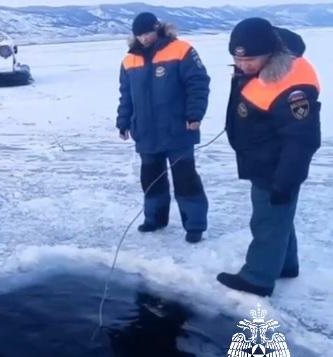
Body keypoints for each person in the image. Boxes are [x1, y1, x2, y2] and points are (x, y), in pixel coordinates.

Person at [217, 18, 321, 297]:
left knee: (267, 221)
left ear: (270, 52)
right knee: (279, 218)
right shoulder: (259, 68)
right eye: (238, 59)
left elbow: (302, 140)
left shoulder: (293, 86)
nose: (243, 65)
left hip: (277, 167)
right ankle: (286, 265)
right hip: (263, 158)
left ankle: (257, 279)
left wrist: (285, 182)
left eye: (250, 59)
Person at [116, 12, 211, 243]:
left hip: (178, 129)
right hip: (146, 132)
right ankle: (155, 219)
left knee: (185, 178)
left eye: (148, 33)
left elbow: (198, 84)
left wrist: (195, 114)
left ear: (157, 29)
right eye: (140, 35)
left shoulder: (181, 50)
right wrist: (123, 121)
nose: (144, 38)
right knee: (151, 179)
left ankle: (195, 225)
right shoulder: (129, 60)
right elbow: (126, 95)